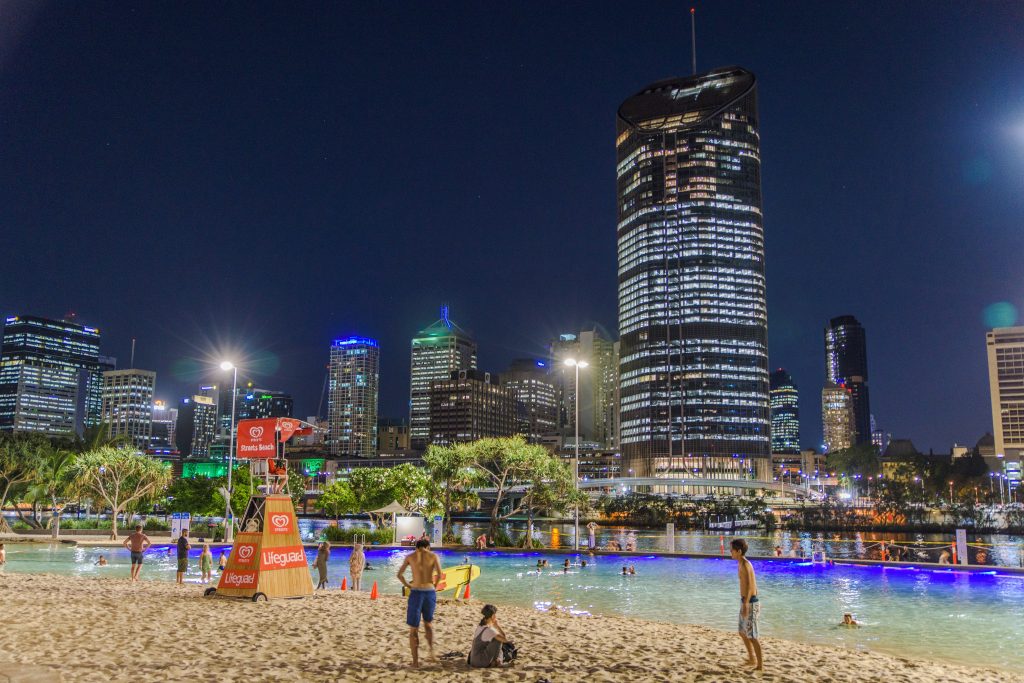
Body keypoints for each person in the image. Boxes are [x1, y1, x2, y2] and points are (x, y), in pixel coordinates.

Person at [397, 538, 442, 668]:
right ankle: (432, 653)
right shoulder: (433, 556)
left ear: (417, 547)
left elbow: (400, 575)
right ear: (428, 547)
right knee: (428, 623)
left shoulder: (410, 556)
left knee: (413, 629)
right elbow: (439, 574)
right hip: (429, 591)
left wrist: (408, 586)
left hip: (416, 591)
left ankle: (415, 662)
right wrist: (435, 585)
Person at [730, 538, 762, 671]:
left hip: (750, 602)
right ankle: (751, 658)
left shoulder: (746, 564)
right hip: (745, 601)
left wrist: (747, 604)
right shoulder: (739, 563)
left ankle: (760, 665)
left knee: (752, 636)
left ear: (739, 551)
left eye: (732, 550)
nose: (730, 552)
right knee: (742, 632)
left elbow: (751, 586)